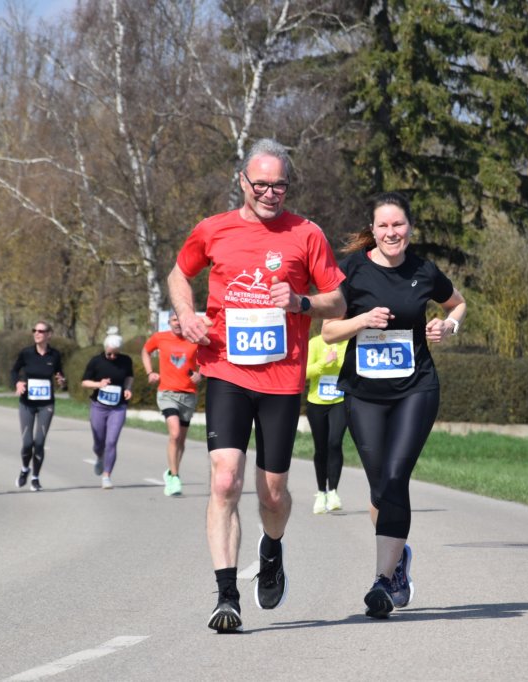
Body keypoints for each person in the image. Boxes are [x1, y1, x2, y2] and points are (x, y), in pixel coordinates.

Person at [167, 137, 347, 633]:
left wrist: (301, 302)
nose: (270, 193)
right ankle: (227, 596)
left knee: (272, 494)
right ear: (243, 181)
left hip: (282, 378)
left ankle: (272, 548)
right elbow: (179, 275)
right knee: (225, 479)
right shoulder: (213, 228)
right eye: (261, 184)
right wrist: (187, 314)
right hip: (225, 368)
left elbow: (338, 300)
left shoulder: (307, 233)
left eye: (279, 185)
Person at [321, 191, 466, 619]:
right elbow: (328, 331)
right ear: (373, 229)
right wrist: (362, 321)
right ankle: (399, 558)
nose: (391, 232)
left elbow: (458, 303)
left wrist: (448, 326)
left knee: (396, 477)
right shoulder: (351, 270)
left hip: (415, 388)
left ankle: (382, 582)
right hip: (363, 392)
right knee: (380, 488)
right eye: (383, 225)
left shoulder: (424, 271)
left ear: (410, 228)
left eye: (398, 224)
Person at [141, 313, 201, 497]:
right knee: (174, 434)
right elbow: (145, 351)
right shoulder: (160, 337)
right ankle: (175, 477)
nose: (177, 323)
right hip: (167, 393)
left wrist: (201, 374)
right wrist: (150, 372)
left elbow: (208, 359)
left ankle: (171, 471)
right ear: (169, 322)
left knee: (181, 440)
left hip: (189, 395)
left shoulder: (195, 339)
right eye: (174, 320)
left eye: (180, 320)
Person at [10, 321, 66, 492]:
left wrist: (62, 380)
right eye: (35, 330)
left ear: (49, 334)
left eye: (41, 331)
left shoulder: (54, 355)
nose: (37, 333)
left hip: (46, 404)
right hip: (27, 403)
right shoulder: (26, 353)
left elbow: (59, 374)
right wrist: (18, 383)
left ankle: (35, 478)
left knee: (39, 443)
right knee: (27, 443)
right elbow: (14, 371)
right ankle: (24, 469)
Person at [81, 331, 134, 490]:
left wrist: (128, 389)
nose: (112, 357)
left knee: (111, 442)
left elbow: (129, 377)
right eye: (109, 354)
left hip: (118, 407)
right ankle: (100, 456)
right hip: (99, 406)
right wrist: (99, 384)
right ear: (105, 349)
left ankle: (107, 476)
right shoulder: (96, 361)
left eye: (115, 354)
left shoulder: (126, 361)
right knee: (99, 443)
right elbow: (84, 382)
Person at [304, 333, 348, 514]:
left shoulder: (349, 342)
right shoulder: (315, 343)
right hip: (317, 402)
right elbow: (305, 372)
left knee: (335, 442)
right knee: (321, 447)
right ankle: (321, 492)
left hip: (340, 401)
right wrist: (324, 362)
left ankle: (333, 492)